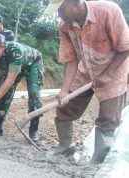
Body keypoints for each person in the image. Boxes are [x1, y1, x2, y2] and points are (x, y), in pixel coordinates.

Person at [44, 0, 129, 164]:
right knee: (65, 106)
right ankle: (65, 146)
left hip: (115, 68)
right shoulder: (65, 26)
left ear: (75, 2)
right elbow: (71, 59)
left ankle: (97, 161)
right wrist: (64, 90)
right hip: (86, 68)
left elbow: (125, 47)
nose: (59, 14)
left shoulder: (108, 11)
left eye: (61, 9)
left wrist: (108, 73)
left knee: (109, 118)